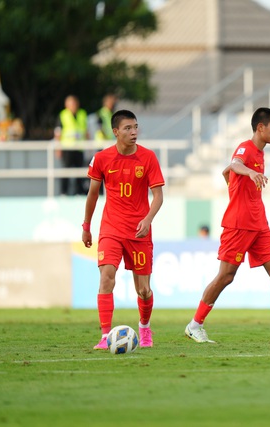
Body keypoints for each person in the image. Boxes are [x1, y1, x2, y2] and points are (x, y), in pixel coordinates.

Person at [184, 107, 270, 344]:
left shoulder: (261, 153)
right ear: (260, 127)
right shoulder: (246, 147)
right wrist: (247, 175)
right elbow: (234, 164)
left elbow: (228, 172)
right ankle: (195, 324)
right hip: (239, 224)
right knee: (226, 276)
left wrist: (234, 187)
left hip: (259, 224)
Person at [82, 109, 165, 350]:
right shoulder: (101, 158)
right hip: (111, 229)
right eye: (128, 128)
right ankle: (105, 335)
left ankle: (145, 328)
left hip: (139, 231)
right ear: (115, 131)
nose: (134, 132)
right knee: (106, 278)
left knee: (144, 290)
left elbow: (158, 196)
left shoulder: (148, 158)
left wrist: (148, 219)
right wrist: (86, 226)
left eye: (136, 127)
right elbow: (93, 194)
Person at [55, 95, 89, 195]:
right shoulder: (63, 115)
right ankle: (63, 193)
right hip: (67, 147)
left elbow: (85, 131)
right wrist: (58, 148)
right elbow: (58, 133)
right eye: (71, 103)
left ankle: (79, 192)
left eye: (74, 103)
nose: (73, 105)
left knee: (80, 170)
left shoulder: (82, 114)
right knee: (66, 170)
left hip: (79, 148)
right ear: (66, 105)